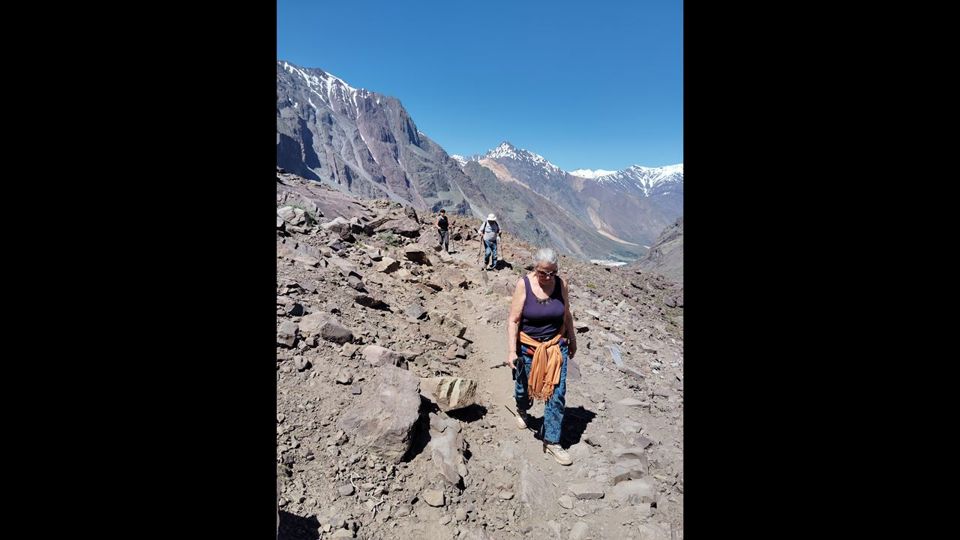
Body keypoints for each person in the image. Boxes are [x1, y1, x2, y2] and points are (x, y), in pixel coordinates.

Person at [505, 247, 577, 465]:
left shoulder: (561, 284)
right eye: (542, 272)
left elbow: (566, 313)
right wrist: (511, 351)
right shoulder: (524, 285)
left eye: (552, 272)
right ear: (534, 268)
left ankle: (552, 440)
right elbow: (514, 320)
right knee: (523, 386)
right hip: (528, 348)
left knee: (557, 393)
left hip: (555, 347)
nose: (547, 277)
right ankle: (522, 409)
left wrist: (572, 338)